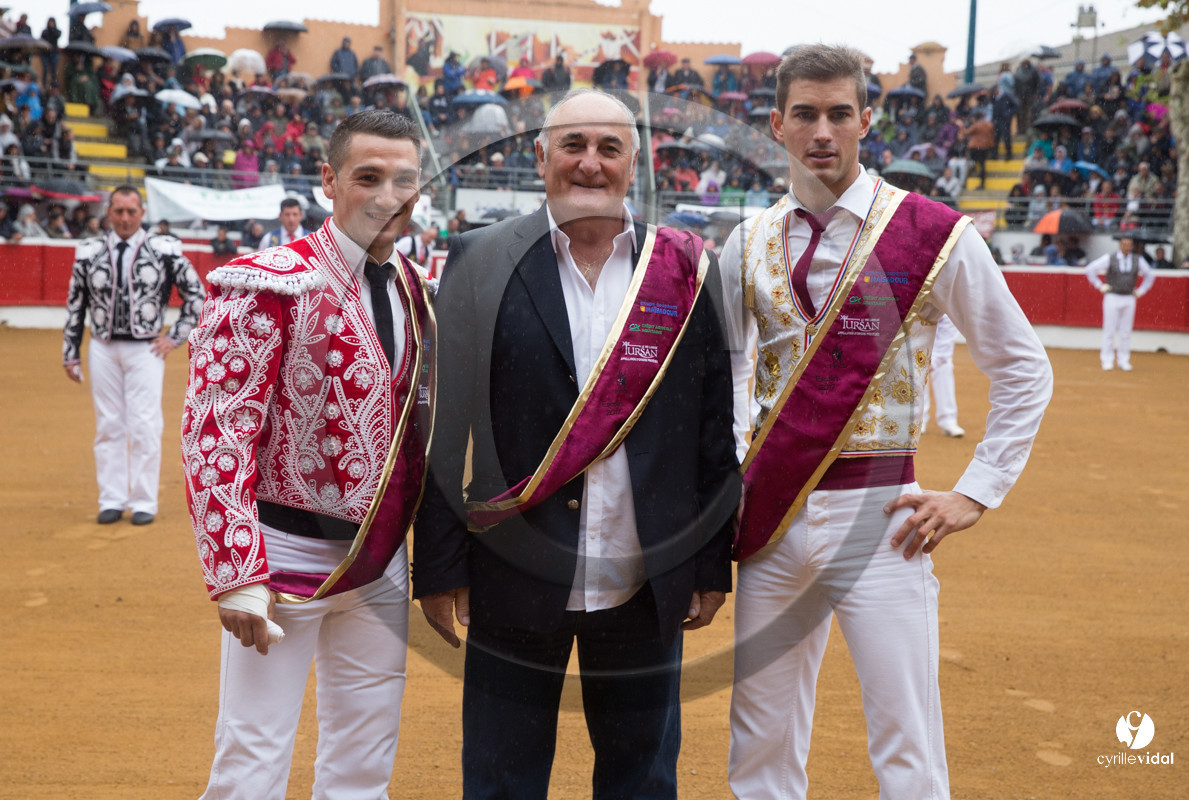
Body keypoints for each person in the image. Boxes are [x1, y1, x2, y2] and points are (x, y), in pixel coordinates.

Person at [720, 44, 1053, 799]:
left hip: (885, 515)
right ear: (776, 124)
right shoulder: (747, 242)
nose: (823, 131)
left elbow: (1023, 366)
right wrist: (738, 468)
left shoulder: (934, 234)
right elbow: (729, 373)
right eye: (805, 114)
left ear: (867, 120)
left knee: (906, 740)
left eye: (840, 113)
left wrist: (974, 491)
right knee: (760, 744)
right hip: (770, 519)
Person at [413, 88, 739, 799]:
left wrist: (712, 561)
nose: (589, 164)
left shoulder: (685, 270)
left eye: (608, 148)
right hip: (512, 571)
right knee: (502, 779)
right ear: (540, 156)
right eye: (572, 145)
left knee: (641, 780)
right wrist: (437, 567)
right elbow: (445, 425)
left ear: (634, 162)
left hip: (643, 575)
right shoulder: (478, 258)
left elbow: (713, 423)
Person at [182, 109, 435, 798]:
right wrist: (236, 569)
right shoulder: (269, 280)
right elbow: (217, 431)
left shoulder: (416, 289)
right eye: (369, 177)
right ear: (329, 180)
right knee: (253, 754)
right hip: (282, 557)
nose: (389, 196)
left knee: (364, 755)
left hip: (380, 560)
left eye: (404, 181)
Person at [62, 186, 205, 526]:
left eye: (131, 212)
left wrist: (174, 338)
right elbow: (75, 305)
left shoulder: (164, 251)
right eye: (119, 211)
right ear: (108, 213)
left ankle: (143, 501)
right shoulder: (89, 252)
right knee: (109, 425)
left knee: (143, 424)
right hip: (102, 347)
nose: (125, 218)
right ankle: (111, 499)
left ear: (142, 214)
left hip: (146, 349)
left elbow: (197, 297)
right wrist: (71, 352)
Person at [1083, 236, 1155, 371]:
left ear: (1132, 246)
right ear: (1120, 245)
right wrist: (1100, 285)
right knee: (1109, 330)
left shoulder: (1137, 260)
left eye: (1129, 245)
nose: (1127, 247)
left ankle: (1123, 360)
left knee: (1125, 331)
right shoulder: (1109, 258)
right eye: (1124, 244)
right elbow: (1090, 269)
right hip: (1112, 296)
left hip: (1129, 297)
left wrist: (1141, 290)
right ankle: (1107, 359)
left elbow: (1150, 275)